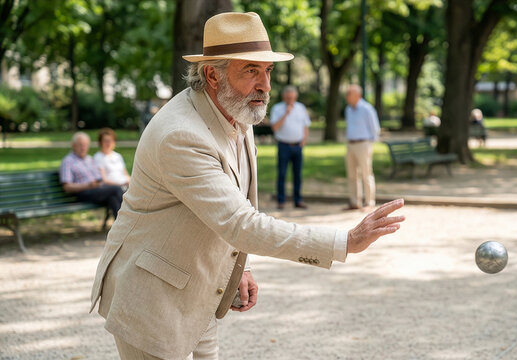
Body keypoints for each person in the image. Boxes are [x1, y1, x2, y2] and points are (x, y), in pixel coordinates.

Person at [90, 12, 405, 360]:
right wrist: (344, 241)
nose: (265, 85)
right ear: (212, 74)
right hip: (153, 297)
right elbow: (241, 223)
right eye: (251, 70)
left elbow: (236, 204)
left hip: (200, 291)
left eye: (267, 70)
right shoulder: (181, 135)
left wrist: (242, 266)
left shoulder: (235, 108)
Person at [59, 132, 124, 219]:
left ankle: (121, 227)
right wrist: (88, 185)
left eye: (85, 145)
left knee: (113, 197)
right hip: (83, 193)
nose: (83, 148)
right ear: (73, 145)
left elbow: (99, 178)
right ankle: (125, 226)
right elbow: (67, 187)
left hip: (97, 190)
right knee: (116, 190)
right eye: (80, 145)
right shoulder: (68, 161)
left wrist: (97, 183)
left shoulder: (89, 159)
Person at [270, 86, 310, 210]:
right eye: (288, 98)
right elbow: (275, 127)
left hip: (298, 146)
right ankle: (281, 200)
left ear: (295, 97)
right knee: (282, 173)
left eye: (292, 98)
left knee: (297, 175)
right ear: (284, 97)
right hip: (283, 146)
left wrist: (303, 140)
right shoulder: (277, 108)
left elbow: (306, 125)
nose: (290, 100)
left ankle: (298, 200)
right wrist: (286, 113)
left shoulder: (301, 108)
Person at [344, 84, 380, 211]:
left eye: (349, 94)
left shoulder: (366, 109)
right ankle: (355, 202)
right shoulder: (348, 109)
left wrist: (370, 144)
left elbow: (375, 128)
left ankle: (370, 202)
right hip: (351, 144)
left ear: (357, 95)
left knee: (366, 173)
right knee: (352, 174)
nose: (346, 96)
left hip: (363, 144)